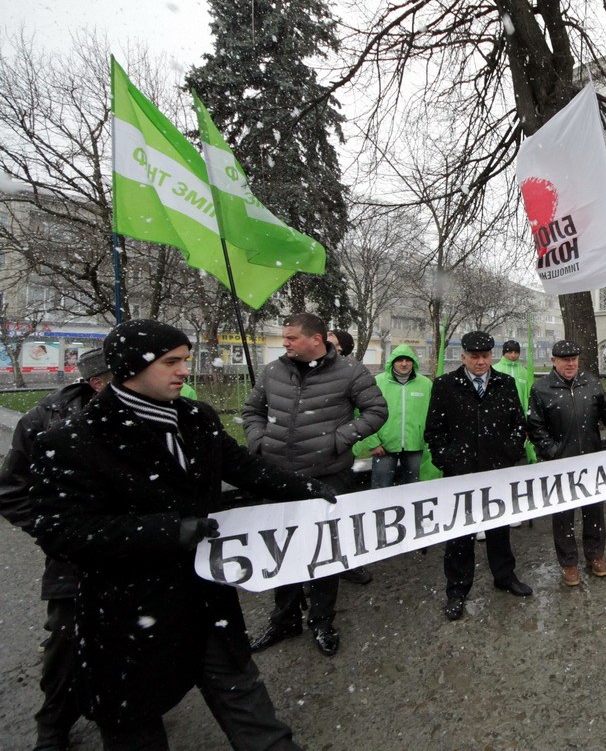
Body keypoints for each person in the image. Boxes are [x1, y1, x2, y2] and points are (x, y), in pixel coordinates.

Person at [28, 320, 334, 750]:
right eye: (172, 362)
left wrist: (305, 488)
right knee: (135, 726)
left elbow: (245, 468)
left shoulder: (197, 417)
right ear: (131, 366)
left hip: (208, 598)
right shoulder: (73, 439)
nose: (184, 371)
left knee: (251, 711)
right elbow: (60, 530)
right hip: (130, 612)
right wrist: (167, 531)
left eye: (185, 360)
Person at [243, 313, 387, 656]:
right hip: (278, 478)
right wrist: (258, 442)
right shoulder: (274, 371)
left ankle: (321, 621)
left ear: (316, 340)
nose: (285, 343)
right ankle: (284, 619)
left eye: (291, 337)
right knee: (282, 551)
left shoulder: (350, 372)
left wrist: (337, 440)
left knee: (325, 551)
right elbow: (252, 411)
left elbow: (376, 411)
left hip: (327, 477)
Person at [0, 349, 109, 750]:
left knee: (131, 639)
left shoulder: (155, 413)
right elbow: (11, 492)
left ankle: (123, 710)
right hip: (74, 563)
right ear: (98, 382)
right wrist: (58, 533)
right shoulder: (44, 422)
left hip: (134, 554)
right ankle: (54, 726)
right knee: (67, 644)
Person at [425, 330, 533, 621]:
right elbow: (434, 431)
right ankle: (457, 590)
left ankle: (504, 575)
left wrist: (509, 452)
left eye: (485, 356)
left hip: (497, 470)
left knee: (499, 526)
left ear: (492, 356)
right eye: (474, 357)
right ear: (463, 357)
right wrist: (447, 459)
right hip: (460, 473)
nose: (481, 362)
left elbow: (517, 423)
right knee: (461, 532)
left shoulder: (505, 383)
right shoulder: (446, 385)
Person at [528, 340, 606, 585]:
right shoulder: (541, 388)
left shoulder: (591, 382)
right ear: (554, 361)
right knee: (563, 514)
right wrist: (554, 452)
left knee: (594, 509)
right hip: (560, 463)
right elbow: (535, 426)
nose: (571, 363)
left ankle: (595, 555)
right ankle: (569, 563)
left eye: (574, 359)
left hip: (591, 459)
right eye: (565, 359)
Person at [355, 343, 432, 488]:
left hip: (416, 444)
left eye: (408, 360)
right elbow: (362, 413)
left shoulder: (425, 384)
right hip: (384, 446)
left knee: (415, 487)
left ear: (413, 362)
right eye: (399, 360)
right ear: (392, 362)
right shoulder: (377, 382)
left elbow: (433, 413)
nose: (404, 364)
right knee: (381, 487)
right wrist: (373, 442)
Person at [492, 339, 538, 463]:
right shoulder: (494, 370)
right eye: (510, 352)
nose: (513, 355)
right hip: (501, 415)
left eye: (516, 352)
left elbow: (529, 393)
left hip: (521, 415)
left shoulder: (524, 372)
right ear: (503, 353)